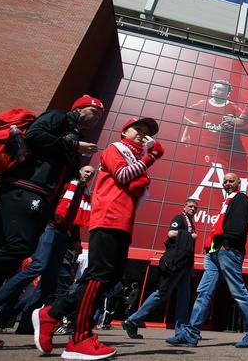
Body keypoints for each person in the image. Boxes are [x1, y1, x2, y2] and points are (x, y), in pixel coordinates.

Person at [0, 95, 103, 350]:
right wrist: (74, 146)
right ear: (78, 108)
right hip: (23, 189)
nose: (95, 118)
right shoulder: (59, 117)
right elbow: (35, 137)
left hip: (37, 196)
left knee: (8, 258)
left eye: (98, 115)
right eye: (92, 111)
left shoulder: (71, 133)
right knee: (18, 248)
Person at [32, 116, 164, 359]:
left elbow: (137, 181)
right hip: (108, 217)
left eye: (146, 132)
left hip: (123, 221)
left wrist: (145, 161)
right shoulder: (116, 148)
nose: (141, 134)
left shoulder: (134, 157)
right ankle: (79, 337)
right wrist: (151, 157)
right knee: (98, 275)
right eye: (137, 128)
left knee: (108, 277)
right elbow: (124, 176)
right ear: (125, 131)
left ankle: (51, 314)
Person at [0, 165, 95, 332]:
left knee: (49, 281)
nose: (88, 175)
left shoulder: (85, 194)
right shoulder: (66, 185)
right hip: (50, 227)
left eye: (91, 173)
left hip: (64, 233)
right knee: (38, 265)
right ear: (79, 172)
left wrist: (76, 240)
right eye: (86, 171)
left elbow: (76, 217)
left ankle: (26, 323)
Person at [167, 172, 248, 348]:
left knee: (238, 291)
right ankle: (191, 334)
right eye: (225, 181)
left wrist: (227, 244)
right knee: (203, 293)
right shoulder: (227, 202)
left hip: (228, 251)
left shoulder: (241, 199)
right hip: (214, 253)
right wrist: (212, 248)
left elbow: (239, 225)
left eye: (231, 181)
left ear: (239, 183)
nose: (227, 183)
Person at [122, 199, 198, 339]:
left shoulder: (191, 223)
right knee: (161, 293)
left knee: (184, 298)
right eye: (190, 206)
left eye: (195, 207)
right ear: (184, 207)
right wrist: (189, 236)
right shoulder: (179, 218)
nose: (193, 209)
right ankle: (132, 320)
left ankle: (181, 331)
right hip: (175, 263)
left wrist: (191, 266)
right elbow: (171, 233)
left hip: (185, 266)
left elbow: (189, 249)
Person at [181, 80, 247, 172]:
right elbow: (190, 118)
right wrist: (185, 134)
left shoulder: (233, 108)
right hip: (208, 147)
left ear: (227, 93)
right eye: (214, 88)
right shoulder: (203, 104)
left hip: (226, 149)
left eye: (220, 89)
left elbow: (246, 124)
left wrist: (234, 123)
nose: (215, 91)